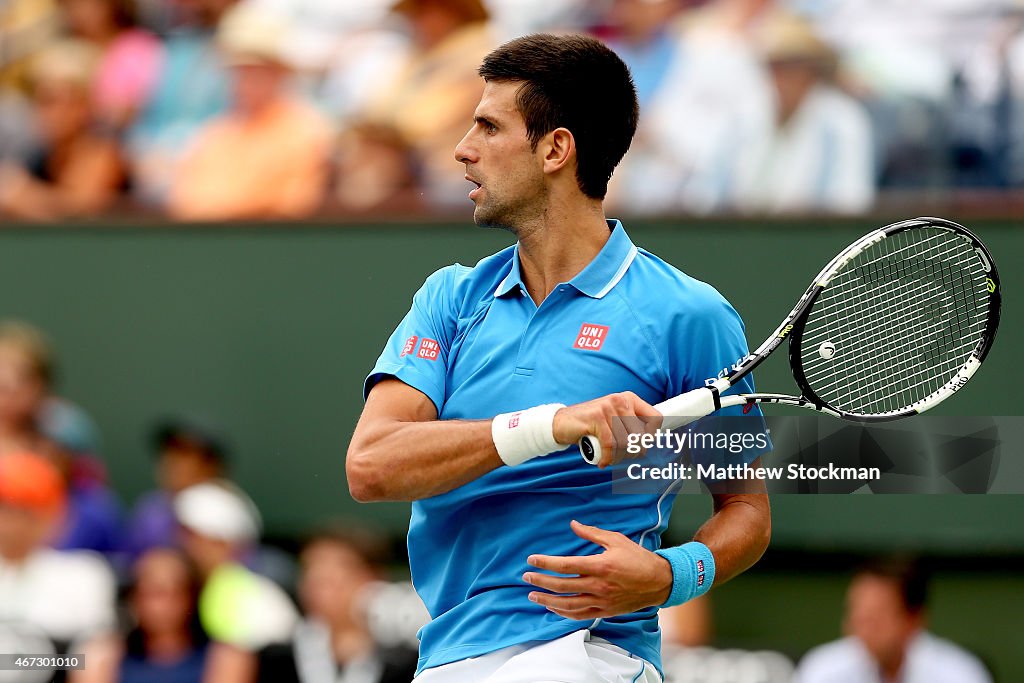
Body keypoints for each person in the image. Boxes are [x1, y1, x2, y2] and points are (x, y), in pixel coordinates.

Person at [347, 33, 771, 682]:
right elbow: (371, 465)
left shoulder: (688, 317)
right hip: (451, 655)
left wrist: (668, 575)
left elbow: (745, 509)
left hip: (589, 653)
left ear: (555, 148)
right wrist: (553, 424)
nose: (463, 149)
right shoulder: (451, 299)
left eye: (489, 126)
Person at [167, 2, 332, 220]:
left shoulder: (305, 129)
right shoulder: (215, 133)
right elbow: (186, 201)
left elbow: (294, 204)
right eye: (239, 72)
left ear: (278, 74)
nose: (244, 82)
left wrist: (228, 208)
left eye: (255, 72)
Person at [735, 10, 875, 215]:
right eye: (773, 66)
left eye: (790, 66)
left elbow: (848, 203)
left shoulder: (843, 121)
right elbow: (711, 197)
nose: (779, 77)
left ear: (812, 70)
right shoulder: (743, 119)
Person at [257, 527, 418, 683]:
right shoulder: (273, 659)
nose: (318, 581)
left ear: (372, 578)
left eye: (336, 572)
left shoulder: (409, 663)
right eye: (311, 568)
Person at [794, 557, 992, 683]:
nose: (860, 629)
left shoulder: (959, 675)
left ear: (913, 620)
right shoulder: (822, 669)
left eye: (875, 618)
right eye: (856, 616)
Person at [0, 451, 117, 654]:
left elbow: (90, 662)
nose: (12, 522)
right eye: (5, 507)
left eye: (26, 509)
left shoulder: (85, 574)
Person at [0, 40, 126, 220]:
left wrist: (21, 195)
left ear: (86, 105)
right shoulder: (36, 157)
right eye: (42, 102)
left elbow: (82, 208)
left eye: (57, 101)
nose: (50, 113)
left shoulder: (103, 153)